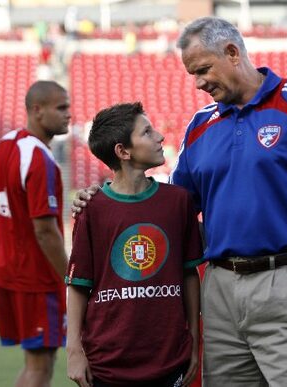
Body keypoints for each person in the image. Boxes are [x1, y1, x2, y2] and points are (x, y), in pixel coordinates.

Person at [72, 17, 287, 387]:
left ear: (232, 53)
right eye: (192, 74)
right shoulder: (200, 124)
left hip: (286, 282)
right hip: (219, 286)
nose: (199, 82)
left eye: (203, 69)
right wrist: (105, 196)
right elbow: (174, 206)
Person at [65, 102, 203, 387]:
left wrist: (193, 339)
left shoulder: (178, 201)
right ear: (123, 151)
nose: (160, 137)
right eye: (147, 132)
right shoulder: (92, 208)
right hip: (107, 362)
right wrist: (74, 350)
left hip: (168, 358)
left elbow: (189, 274)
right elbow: (79, 285)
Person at [0, 80, 71, 387]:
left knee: (37, 362)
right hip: (36, 278)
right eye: (61, 108)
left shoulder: (5, 144)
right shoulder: (39, 159)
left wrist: (11, 238)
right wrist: (69, 280)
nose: (68, 115)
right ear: (37, 110)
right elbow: (45, 231)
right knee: (40, 366)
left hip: (4, 269)